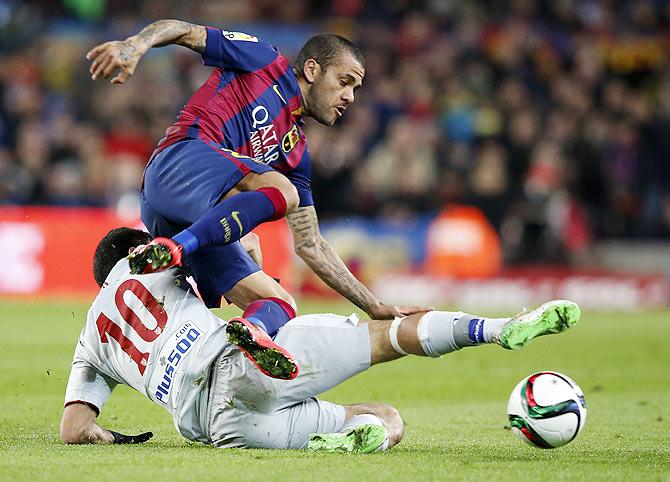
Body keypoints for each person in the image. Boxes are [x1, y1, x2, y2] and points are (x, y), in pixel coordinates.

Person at [60, 227, 580, 451]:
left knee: (380, 422)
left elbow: (73, 427)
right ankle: (499, 329)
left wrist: (106, 436)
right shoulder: (152, 257)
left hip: (219, 427)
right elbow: (245, 268)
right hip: (236, 364)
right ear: (136, 248)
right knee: (388, 336)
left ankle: (337, 439)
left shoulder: (89, 336)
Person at [86, 20, 429, 333]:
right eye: (344, 82)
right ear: (312, 69)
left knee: (279, 303)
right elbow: (182, 30)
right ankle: (177, 248)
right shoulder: (264, 60)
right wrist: (134, 45)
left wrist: (373, 305)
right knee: (280, 194)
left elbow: (311, 246)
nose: (349, 97)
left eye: (355, 88)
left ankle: (244, 339)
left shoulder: (296, 152)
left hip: (186, 218)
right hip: (177, 162)